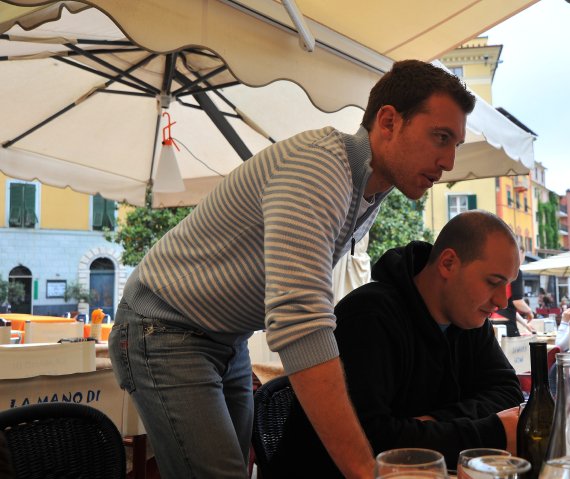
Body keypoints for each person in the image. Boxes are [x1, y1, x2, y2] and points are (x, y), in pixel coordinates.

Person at [107, 60, 476, 479]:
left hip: (228, 338)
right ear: (389, 121)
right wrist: (364, 470)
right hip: (164, 326)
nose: (449, 161)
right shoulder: (320, 167)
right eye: (440, 137)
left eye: (456, 144)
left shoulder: (369, 187)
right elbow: (301, 322)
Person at [272, 211, 524, 477]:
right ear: (448, 263)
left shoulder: (469, 319)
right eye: (493, 282)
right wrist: (492, 432)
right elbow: (373, 443)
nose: (502, 301)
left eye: (507, 285)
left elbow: (509, 393)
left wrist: (432, 422)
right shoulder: (369, 317)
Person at [490, 246, 534, 336]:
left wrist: (525, 324)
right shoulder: (516, 271)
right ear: (520, 253)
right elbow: (517, 302)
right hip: (507, 323)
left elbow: (509, 308)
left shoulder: (498, 271)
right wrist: (529, 312)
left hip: (492, 321)